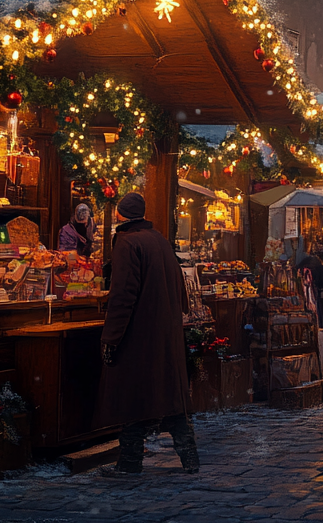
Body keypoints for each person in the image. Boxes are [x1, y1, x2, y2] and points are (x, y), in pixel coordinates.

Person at [95, 192, 197, 476]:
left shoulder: (128, 243)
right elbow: (179, 283)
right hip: (164, 332)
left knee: (133, 397)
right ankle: (189, 457)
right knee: (169, 399)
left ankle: (129, 463)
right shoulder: (159, 240)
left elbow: (123, 295)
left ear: (119, 215)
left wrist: (111, 337)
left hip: (139, 334)